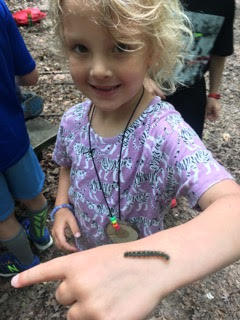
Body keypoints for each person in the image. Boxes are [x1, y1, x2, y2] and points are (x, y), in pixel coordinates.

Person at [12, 0, 240, 319]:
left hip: (136, 271)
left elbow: (233, 211)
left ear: (154, 50)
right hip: (86, 246)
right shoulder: (73, 120)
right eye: (80, 47)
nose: (99, 69)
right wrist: (62, 204)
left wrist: (150, 265)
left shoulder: (166, 133)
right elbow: (66, 163)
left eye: (120, 47)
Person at [0, 0, 52, 277]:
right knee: (33, 195)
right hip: (11, 133)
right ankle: (43, 238)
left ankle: (25, 262)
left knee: (3, 218)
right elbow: (30, 76)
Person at [145, 0, 235, 138]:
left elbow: (219, 52)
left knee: (185, 145)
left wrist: (213, 94)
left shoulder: (224, 4)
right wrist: (141, 77)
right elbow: (124, 37)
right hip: (145, 89)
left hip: (191, 92)